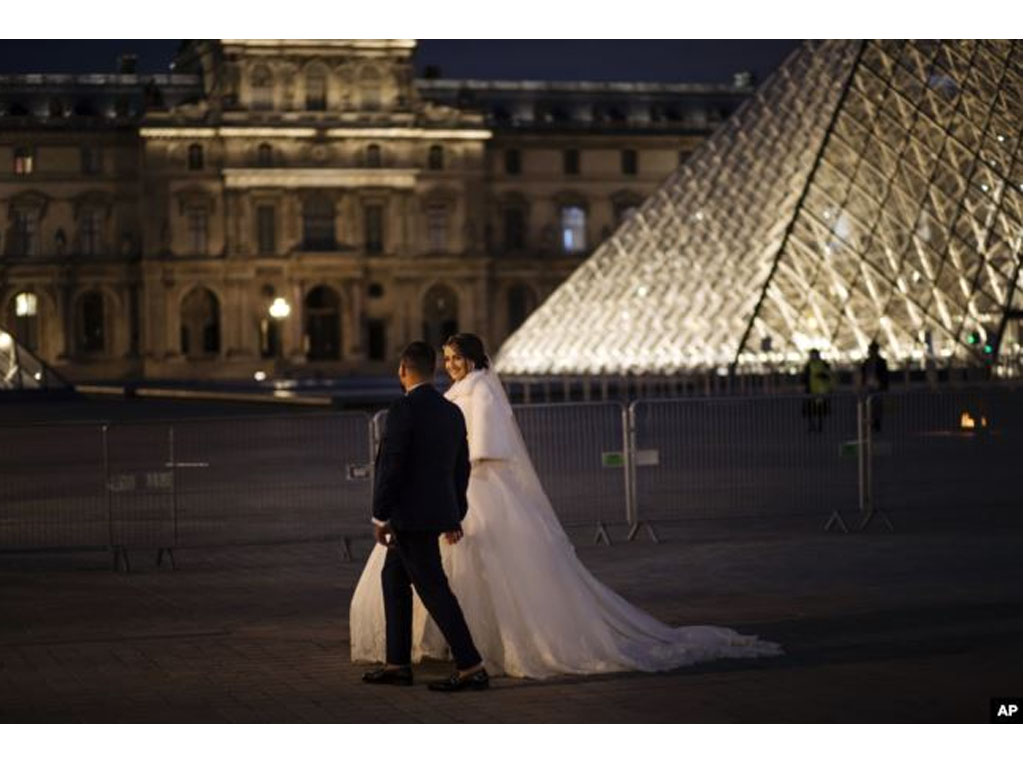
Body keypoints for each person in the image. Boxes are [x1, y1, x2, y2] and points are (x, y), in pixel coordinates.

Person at [350, 333, 781, 678]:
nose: (451, 365)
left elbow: (477, 450)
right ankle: (419, 659)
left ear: (473, 360)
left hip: (467, 493)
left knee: (452, 580)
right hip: (447, 498)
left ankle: (468, 659)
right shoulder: (456, 396)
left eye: (457, 357)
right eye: (446, 358)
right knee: (428, 576)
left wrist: (436, 499)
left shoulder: (477, 391)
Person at [359, 341, 489, 692]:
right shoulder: (450, 412)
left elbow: (393, 465)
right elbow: (459, 469)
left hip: (409, 517)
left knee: (433, 589)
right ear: (432, 370)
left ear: (403, 370)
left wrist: (380, 515)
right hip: (434, 513)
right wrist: (454, 513)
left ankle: (471, 665)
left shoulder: (403, 409)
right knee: (394, 580)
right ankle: (397, 664)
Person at [801, 348, 833, 433]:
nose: (812, 356)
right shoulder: (808, 365)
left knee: (819, 410)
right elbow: (804, 377)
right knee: (810, 410)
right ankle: (812, 426)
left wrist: (823, 376)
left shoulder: (823, 364)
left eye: (814, 355)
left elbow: (829, 375)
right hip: (810, 390)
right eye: (811, 355)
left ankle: (819, 426)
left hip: (821, 390)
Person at [860, 341, 889, 433]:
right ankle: (871, 423)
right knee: (869, 406)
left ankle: (876, 423)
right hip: (869, 386)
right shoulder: (866, 362)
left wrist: (882, 385)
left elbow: (885, 375)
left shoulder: (881, 362)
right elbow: (863, 374)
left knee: (877, 406)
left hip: (878, 386)